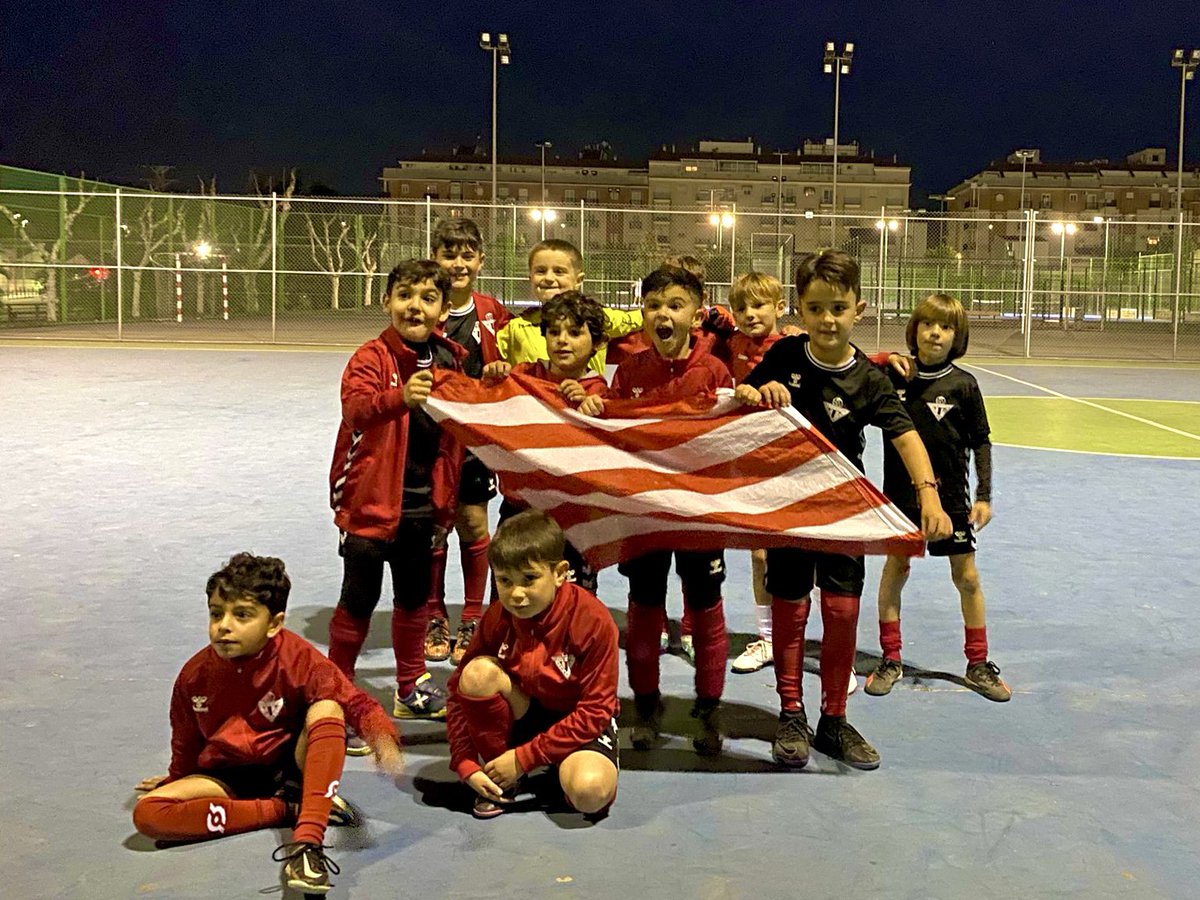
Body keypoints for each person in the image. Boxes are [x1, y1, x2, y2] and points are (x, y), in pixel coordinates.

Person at [737, 249, 951, 771]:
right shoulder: (785, 356)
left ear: (859, 308)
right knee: (790, 611)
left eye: (838, 308)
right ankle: (792, 712)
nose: (827, 320)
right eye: (816, 309)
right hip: (786, 507)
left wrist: (929, 495)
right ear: (800, 312)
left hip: (843, 513)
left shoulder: (871, 381)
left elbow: (905, 434)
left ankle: (834, 719)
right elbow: (746, 393)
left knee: (841, 613)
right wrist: (751, 389)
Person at [132, 553, 403, 895]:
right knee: (149, 814)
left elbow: (356, 703)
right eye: (216, 613)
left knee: (328, 709)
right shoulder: (193, 675)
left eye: (242, 615)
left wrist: (382, 737)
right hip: (228, 776)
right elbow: (185, 740)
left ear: (274, 624)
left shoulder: (299, 658)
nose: (223, 626)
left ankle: (307, 844)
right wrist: (178, 779)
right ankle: (290, 809)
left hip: (288, 770)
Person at [579, 265, 733, 756]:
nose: (662, 315)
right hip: (644, 512)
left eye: (674, 305)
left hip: (698, 515)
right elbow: (612, 430)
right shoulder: (630, 371)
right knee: (644, 611)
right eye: (653, 306)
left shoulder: (715, 370)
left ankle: (708, 710)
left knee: (705, 611)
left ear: (696, 310)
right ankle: (646, 704)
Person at [326, 260, 465, 730]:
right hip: (369, 504)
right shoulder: (371, 357)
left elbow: (455, 438)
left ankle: (409, 687)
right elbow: (357, 410)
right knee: (358, 600)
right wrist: (398, 399)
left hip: (421, 505)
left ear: (443, 310)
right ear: (387, 301)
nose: (415, 306)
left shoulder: (451, 361)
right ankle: (338, 691)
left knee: (412, 602)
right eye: (405, 295)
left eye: (428, 298)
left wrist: (445, 503)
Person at [865, 294, 1010, 702]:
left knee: (967, 578)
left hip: (951, 503)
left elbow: (981, 442)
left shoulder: (964, 385)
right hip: (900, 500)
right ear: (914, 330)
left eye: (945, 327)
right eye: (928, 324)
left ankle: (978, 663)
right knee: (896, 571)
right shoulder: (895, 378)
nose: (935, 333)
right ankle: (890, 658)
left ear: (956, 336)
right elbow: (854, 370)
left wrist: (983, 495)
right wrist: (882, 359)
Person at [446, 510, 620, 819]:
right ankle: (500, 777)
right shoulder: (498, 617)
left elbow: (595, 711)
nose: (516, 594)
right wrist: (463, 760)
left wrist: (525, 757)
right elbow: (457, 688)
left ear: (560, 572)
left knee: (590, 793)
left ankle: (550, 768)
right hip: (526, 712)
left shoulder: (593, 621)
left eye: (529, 579)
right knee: (477, 674)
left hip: (578, 723)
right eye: (505, 580)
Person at [427, 218, 512, 665]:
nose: (458, 263)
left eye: (466, 254)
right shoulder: (425, 307)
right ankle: (434, 614)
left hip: (474, 441)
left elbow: (520, 357)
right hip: (428, 439)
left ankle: (473, 617)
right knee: (433, 525)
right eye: (449, 253)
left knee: (474, 523)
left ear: (480, 260)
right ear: (435, 256)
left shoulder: (493, 312)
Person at [483, 290, 608, 593]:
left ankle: (570, 642)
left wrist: (592, 412)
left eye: (575, 332)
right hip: (521, 508)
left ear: (597, 343)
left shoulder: (599, 391)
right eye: (554, 331)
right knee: (512, 588)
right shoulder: (523, 376)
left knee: (574, 596)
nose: (562, 340)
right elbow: (486, 403)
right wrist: (492, 378)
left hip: (574, 513)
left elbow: (608, 452)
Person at [495, 238, 641, 376]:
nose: (549, 278)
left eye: (559, 271)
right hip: (533, 401)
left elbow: (645, 316)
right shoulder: (516, 328)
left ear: (578, 280)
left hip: (583, 400)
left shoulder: (598, 316)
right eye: (541, 271)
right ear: (530, 278)